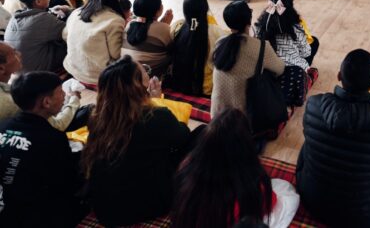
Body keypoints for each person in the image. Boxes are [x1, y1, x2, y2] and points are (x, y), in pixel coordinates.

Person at [297, 49, 370, 227]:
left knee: (310, 142)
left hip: (314, 202)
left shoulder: (314, 105)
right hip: (369, 218)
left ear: (339, 76)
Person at [83, 56, 191, 226]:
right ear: (139, 85)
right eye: (143, 70)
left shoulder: (98, 116)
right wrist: (157, 101)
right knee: (199, 136)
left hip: (104, 210)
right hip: (146, 207)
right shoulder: (156, 116)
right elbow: (183, 137)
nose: (148, 72)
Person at [0, 72, 86, 227]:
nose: (64, 96)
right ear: (46, 102)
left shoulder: (3, 126)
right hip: (32, 216)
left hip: (6, 207)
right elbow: (67, 181)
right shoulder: (51, 138)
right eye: (61, 92)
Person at [171, 109, 283, 228]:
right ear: (246, 146)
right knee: (287, 194)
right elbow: (271, 201)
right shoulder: (251, 187)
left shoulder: (186, 167)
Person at [211, 0, 285, 117]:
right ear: (249, 20)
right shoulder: (261, 46)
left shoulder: (220, 43)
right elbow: (280, 69)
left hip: (217, 115)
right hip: (245, 119)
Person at [254, 0, 318, 106]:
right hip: (293, 70)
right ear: (291, 5)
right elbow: (305, 53)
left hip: (269, 69)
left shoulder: (261, 26)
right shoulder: (295, 26)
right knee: (314, 42)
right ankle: (306, 72)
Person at [0, 42, 84, 130]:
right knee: (88, 112)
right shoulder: (9, 102)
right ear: (1, 68)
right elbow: (57, 125)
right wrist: (74, 100)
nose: (19, 54)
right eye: (14, 53)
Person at [63, 0, 126, 84]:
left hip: (74, 67)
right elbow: (116, 54)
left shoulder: (76, 12)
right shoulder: (114, 20)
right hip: (98, 74)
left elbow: (64, 35)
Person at [170, 0, 225, 96]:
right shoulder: (217, 32)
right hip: (206, 88)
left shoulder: (178, 27)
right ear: (205, 8)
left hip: (181, 84)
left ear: (185, 10)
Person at [4, 0, 67, 72]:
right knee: (70, 41)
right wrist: (68, 11)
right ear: (38, 1)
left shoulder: (15, 17)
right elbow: (69, 30)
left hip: (19, 69)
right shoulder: (44, 18)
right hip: (38, 70)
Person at [122, 0, 174, 75]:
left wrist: (161, 24)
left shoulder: (129, 24)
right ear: (158, 11)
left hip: (126, 71)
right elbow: (171, 49)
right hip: (150, 74)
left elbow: (147, 28)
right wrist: (166, 25)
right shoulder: (164, 28)